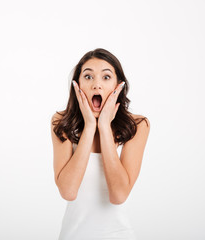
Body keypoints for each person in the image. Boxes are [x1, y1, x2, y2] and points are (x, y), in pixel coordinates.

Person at [51, 48, 150, 239]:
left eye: (106, 77)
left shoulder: (137, 125)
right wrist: (89, 126)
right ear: (77, 84)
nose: (97, 85)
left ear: (118, 85)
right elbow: (68, 191)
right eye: (88, 77)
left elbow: (118, 195)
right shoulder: (61, 122)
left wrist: (104, 127)